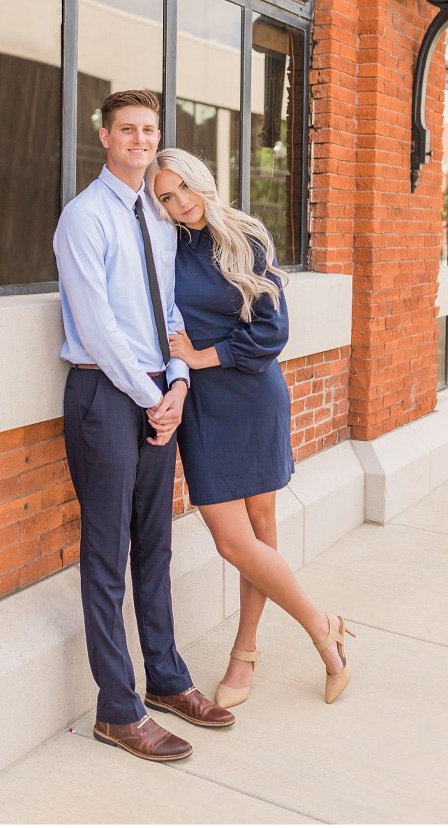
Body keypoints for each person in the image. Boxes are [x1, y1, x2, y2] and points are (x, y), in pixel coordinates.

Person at [53, 92, 235, 765]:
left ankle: (165, 677)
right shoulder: (84, 217)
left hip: (158, 392)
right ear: (104, 136)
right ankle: (118, 711)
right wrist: (151, 391)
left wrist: (179, 381)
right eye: (127, 129)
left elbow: (171, 314)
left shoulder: (160, 222)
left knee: (154, 545)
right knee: (107, 557)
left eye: (149, 130)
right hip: (105, 393)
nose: (138, 139)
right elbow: (97, 327)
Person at [146, 148, 355, 708]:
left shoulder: (246, 236)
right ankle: (322, 624)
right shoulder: (166, 246)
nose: (180, 202)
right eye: (166, 196)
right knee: (234, 541)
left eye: (185, 188)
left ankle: (246, 650)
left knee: (262, 531)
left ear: (203, 181)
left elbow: (271, 333)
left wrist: (200, 354)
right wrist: (184, 362)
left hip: (254, 394)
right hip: (203, 408)